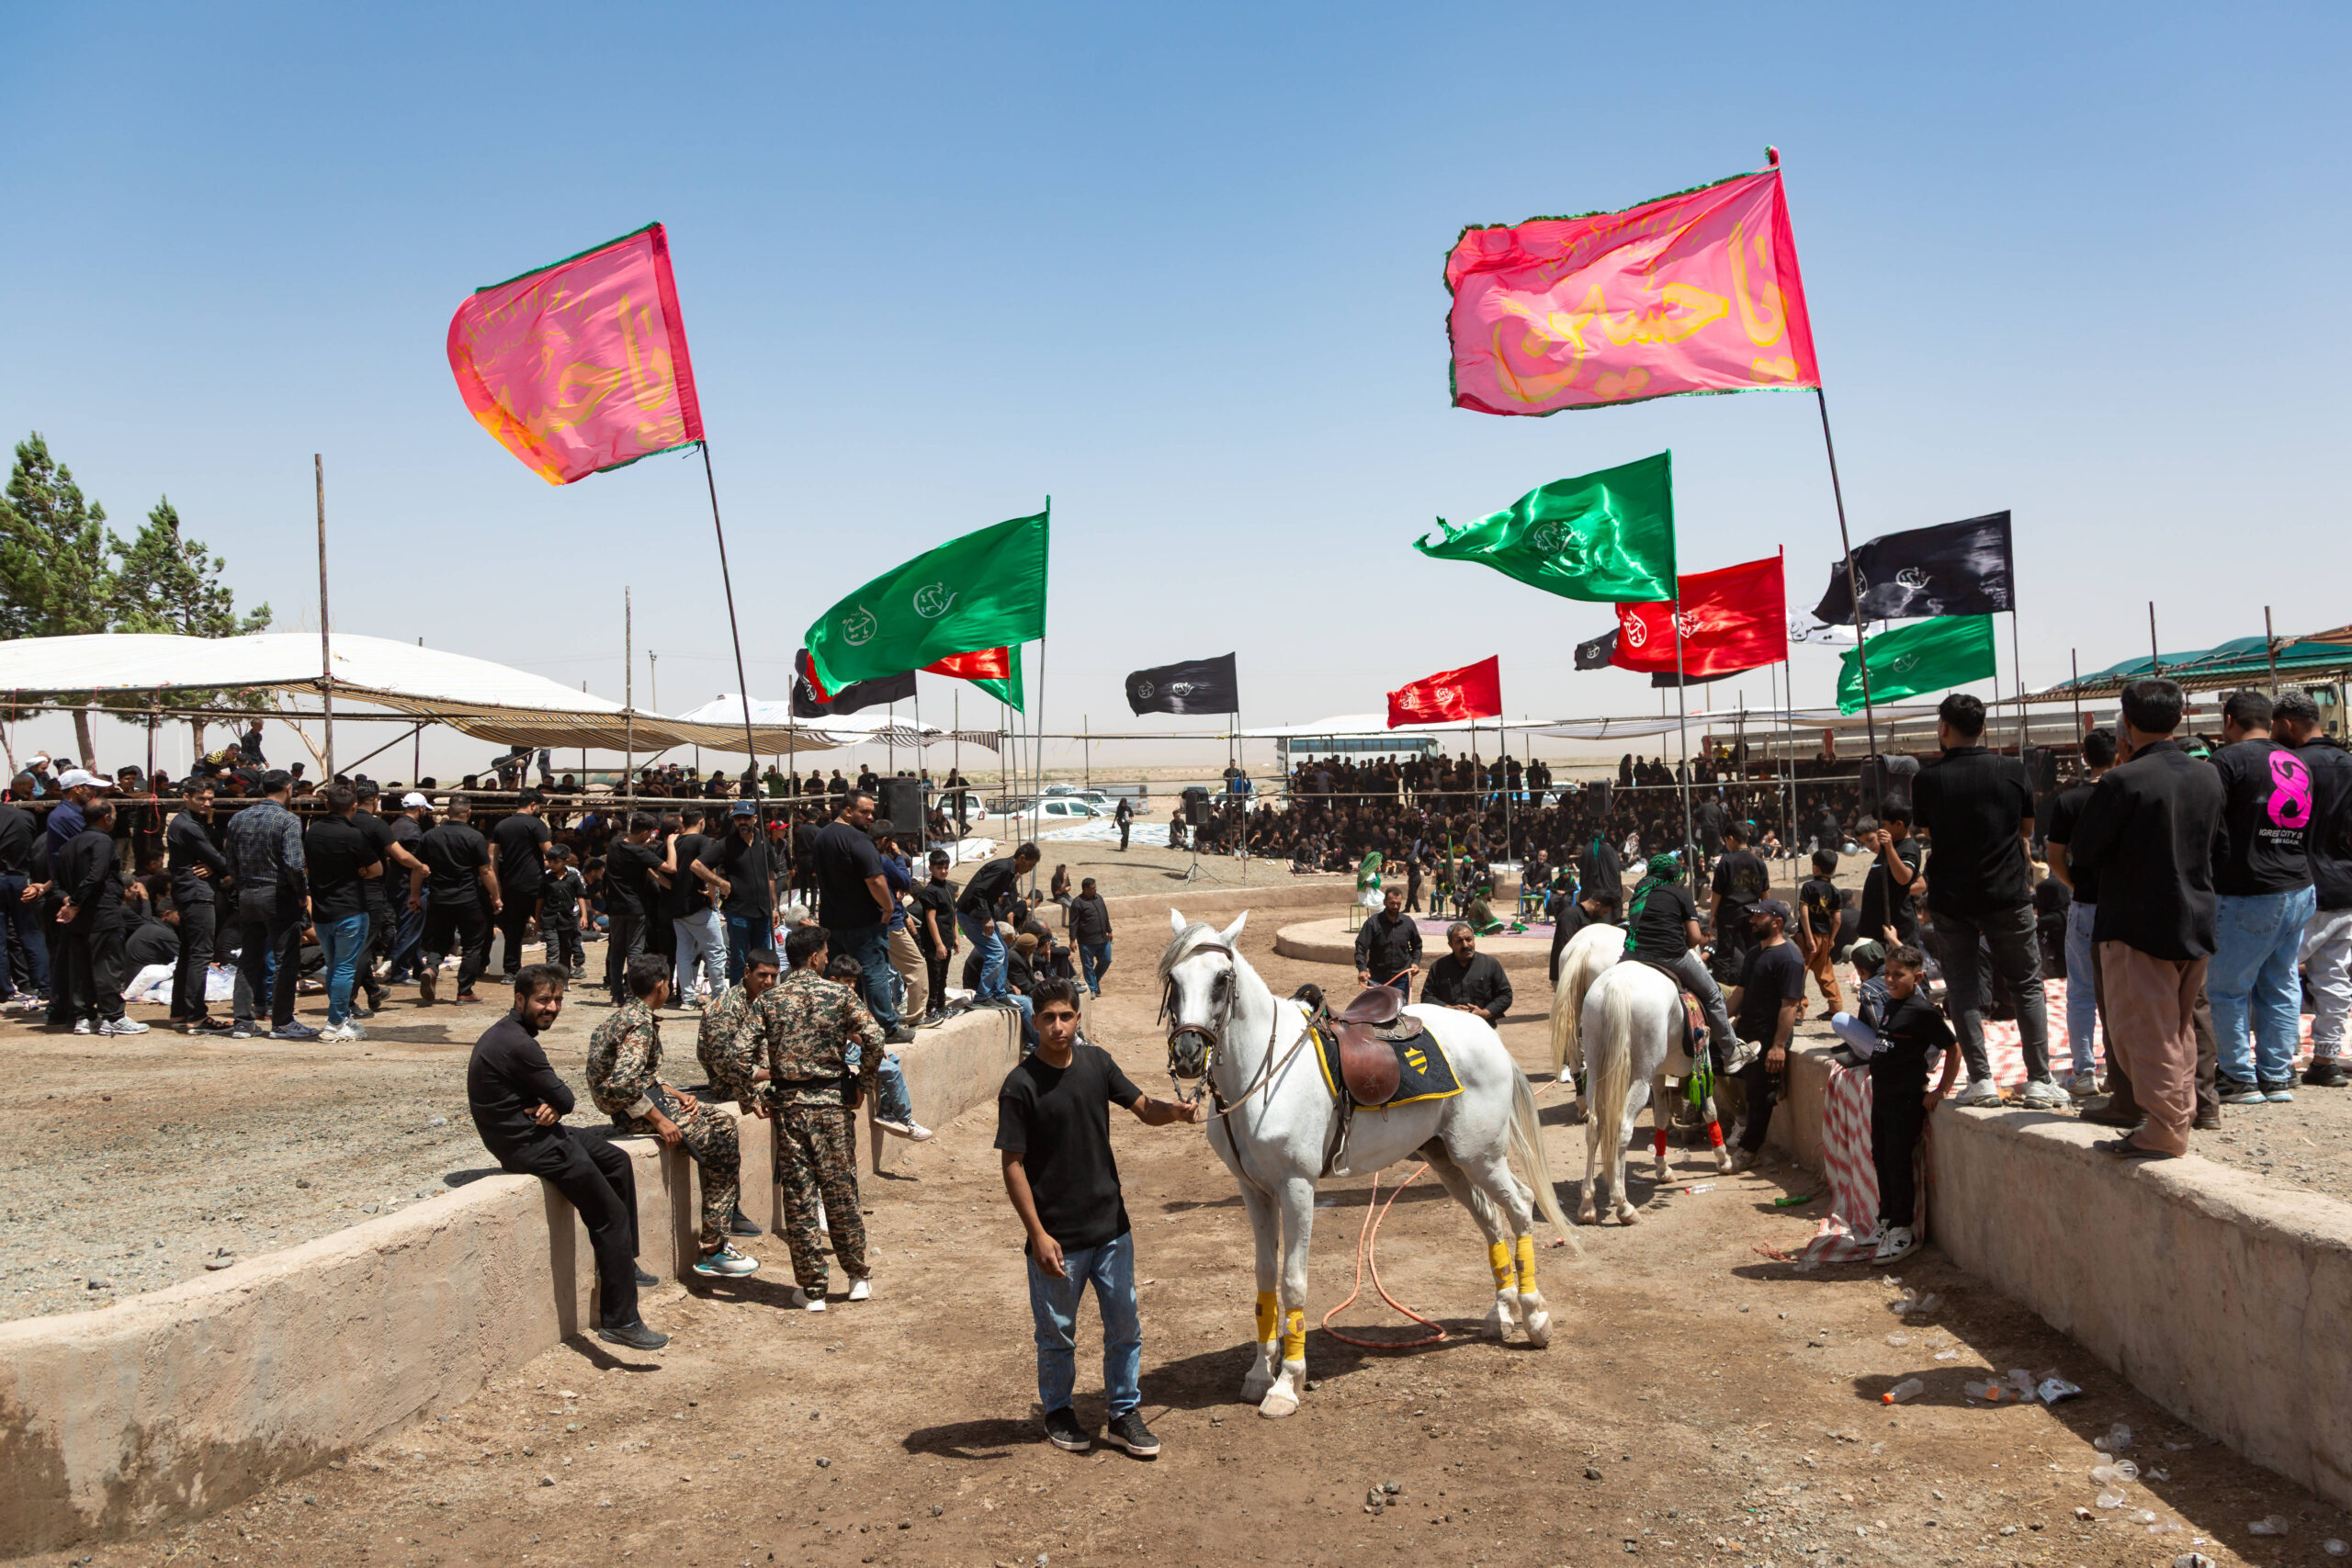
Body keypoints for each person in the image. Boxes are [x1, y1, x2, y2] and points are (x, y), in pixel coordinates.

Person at [995, 976, 1200, 1457]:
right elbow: (1012, 1164)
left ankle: (1123, 1413)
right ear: (1034, 1021)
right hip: (1058, 1240)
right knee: (1057, 1334)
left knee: (1125, 1328)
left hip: (1111, 1229)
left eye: (1066, 1016)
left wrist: (1174, 1112)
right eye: (1048, 1018)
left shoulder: (1096, 1063)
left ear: (1078, 1018)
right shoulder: (1020, 1085)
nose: (1058, 1026)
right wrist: (1038, 1235)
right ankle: (1059, 1411)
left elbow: (1143, 1107)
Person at [2065, 679, 2227, 1159]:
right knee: (2178, 1027)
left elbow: (2087, 850)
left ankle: (2165, 1129)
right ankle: (2178, 1115)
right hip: (2195, 916)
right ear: (2179, 719)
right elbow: (2220, 845)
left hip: (2137, 923)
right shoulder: (2208, 775)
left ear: (2127, 724)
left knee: (2144, 1030)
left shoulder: (2122, 780)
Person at [467, 964, 669, 1349]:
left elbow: (554, 1102)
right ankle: (620, 1319)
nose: (552, 1007)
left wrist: (550, 1105)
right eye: (544, 1000)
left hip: (539, 1132)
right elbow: (566, 1099)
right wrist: (553, 1103)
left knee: (616, 1161)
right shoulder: (519, 1044)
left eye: (558, 999)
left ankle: (623, 1262)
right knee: (608, 1216)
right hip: (529, 1146)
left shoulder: (511, 1034)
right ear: (519, 999)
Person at [1911, 694, 2061, 1109]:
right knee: (2027, 984)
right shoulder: (2011, 770)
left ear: (1943, 728)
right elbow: (2026, 828)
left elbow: (1926, 831)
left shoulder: (1926, 779)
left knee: (1960, 987)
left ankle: (1981, 1080)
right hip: (2007, 893)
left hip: (1952, 897)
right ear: (1983, 728)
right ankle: (2041, 1079)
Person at [586, 953, 759, 1279]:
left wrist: (677, 1095)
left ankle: (726, 1214)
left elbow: (640, 1076)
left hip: (645, 1100)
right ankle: (714, 1248)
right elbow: (623, 1084)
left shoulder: (627, 1015)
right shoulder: (639, 1025)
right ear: (662, 986)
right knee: (718, 1148)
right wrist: (659, 1120)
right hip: (632, 1111)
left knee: (724, 1121)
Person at [753, 926, 882, 1310]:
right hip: (832, 1107)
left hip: (790, 1110)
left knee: (800, 1197)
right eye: (824, 953)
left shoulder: (769, 999)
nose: (827, 958)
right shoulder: (841, 994)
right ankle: (857, 1277)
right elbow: (875, 1038)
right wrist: (864, 1083)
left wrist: (752, 1094)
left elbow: (739, 1051)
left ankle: (813, 1291)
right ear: (814, 957)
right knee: (841, 1191)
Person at [2206, 690, 2317, 1104]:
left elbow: (2209, 823)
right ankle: (2277, 1073)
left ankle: (2237, 1076)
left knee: (2227, 988)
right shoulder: (2298, 762)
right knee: (2281, 982)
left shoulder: (2227, 761)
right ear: (2270, 721)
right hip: (2298, 885)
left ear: (2229, 719)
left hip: (2248, 889)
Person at [1860, 944, 1960, 1261]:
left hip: (1905, 1098)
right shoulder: (1890, 1004)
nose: (1890, 980)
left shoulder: (1923, 1010)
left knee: (1898, 1161)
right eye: (1887, 973)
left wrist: (1941, 1089)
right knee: (1881, 1155)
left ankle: (1904, 1230)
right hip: (1883, 1096)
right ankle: (1887, 1220)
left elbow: (1953, 1048)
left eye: (1898, 975)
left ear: (1917, 977)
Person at [2275, 691, 2351, 1089]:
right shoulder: (2349, 765)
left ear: (2288, 723)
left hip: (2301, 884)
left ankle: (2282, 1060)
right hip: (2345, 885)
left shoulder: (2288, 766)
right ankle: (2326, 1059)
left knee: (2282, 972)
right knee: (2336, 976)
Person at [2043, 729, 2120, 1098]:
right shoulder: (2130, 793)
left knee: (2082, 992)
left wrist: (2074, 885)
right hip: (2126, 905)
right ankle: (2121, 1070)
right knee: (2122, 992)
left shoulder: (2069, 801)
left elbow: (2054, 858)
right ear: (2120, 754)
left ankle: (2084, 1071)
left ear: (2084, 759)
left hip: (2086, 903)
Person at [810, 790, 915, 1044]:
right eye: (864, 812)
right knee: (874, 972)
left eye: (871, 812)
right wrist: (889, 908)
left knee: (835, 975)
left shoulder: (821, 836)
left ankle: (835, 1025)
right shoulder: (857, 839)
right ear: (848, 811)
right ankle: (887, 1027)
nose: (870, 817)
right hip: (864, 922)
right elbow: (876, 879)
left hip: (832, 920)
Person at [1619, 851, 1744, 1062]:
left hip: (1633, 952)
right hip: (1670, 955)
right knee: (1713, 995)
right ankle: (1731, 1052)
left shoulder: (1640, 890)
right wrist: (1679, 948)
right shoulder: (1681, 895)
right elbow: (1695, 937)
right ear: (1674, 877)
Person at [224, 769, 313, 1041]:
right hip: (278, 895)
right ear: (288, 788)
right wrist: (301, 893)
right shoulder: (288, 820)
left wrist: (242, 887)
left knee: (248, 959)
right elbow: (295, 864)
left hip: (248, 894)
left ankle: (242, 1022)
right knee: (286, 959)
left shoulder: (238, 818)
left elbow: (230, 861)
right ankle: (282, 1021)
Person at [1724, 900, 1804, 1170]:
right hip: (1745, 1033)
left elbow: (1790, 1005)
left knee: (1761, 1096)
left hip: (1769, 1038)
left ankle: (1750, 1150)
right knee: (1711, 1067)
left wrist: (1778, 1046)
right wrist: (1719, 1023)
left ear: (1777, 923)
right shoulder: (1754, 953)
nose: (1752, 921)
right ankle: (1743, 1120)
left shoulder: (1790, 958)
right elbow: (1739, 993)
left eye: (1759, 917)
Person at [821, 953, 932, 1141]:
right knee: (892, 1071)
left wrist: (875, 1048)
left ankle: (886, 1112)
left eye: (854, 981)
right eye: (847, 981)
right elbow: (850, 1033)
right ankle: (906, 1120)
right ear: (833, 980)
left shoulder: (845, 998)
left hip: (852, 1047)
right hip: (842, 1052)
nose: (851, 985)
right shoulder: (830, 1000)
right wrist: (871, 1047)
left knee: (894, 1059)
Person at [56, 799, 142, 1034]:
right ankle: (113, 1017)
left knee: (81, 968)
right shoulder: (102, 841)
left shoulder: (69, 845)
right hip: (101, 912)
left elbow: (57, 882)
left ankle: (84, 1017)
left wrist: (69, 902)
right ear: (106, 817)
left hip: (78, 917)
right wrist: (74, 904)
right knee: (107, 965)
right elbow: (96, 875)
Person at [303, 783, 382, 1042]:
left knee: (334, 966)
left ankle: (340, 1017)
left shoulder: (313, 832)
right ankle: (335, 1022)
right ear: (354, 807)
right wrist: (360, 872)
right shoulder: (354, 835)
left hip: (323, 910)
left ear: (327, 805)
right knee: (345, 968)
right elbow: (377, 870)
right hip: (350, 909)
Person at [413, 795, 500, 1006]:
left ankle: (431, 968)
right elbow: (486, 870)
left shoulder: (430, 836)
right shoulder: (475, 837)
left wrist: (414, 896)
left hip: (439, 898)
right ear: (469, 813)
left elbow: (418, 869)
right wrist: (496, 897)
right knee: (472, 945)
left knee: (439, 940)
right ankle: (464, 991)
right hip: (469, 899)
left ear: (447, 812)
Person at [164, 779, 226, 1032]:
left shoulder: (191, 822)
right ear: (187, 796)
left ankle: (180, 1011)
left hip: (190, 891)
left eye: (210, 799)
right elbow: (217, 857)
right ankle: (196, 1015)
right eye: (201, 798)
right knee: (200, 954)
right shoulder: (187, 825)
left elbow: (210, 853)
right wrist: (220, 866)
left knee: (190, 954)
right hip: (197, 893)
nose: (207, 803)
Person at [958, 841, 1041, 1021]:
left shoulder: (1008, 871)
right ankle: (982, 996)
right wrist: (987, 917)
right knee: (995, 953)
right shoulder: (1003, 869)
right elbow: (979, 892)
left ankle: (999, 993)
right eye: (1031, 865)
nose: (1030, 869)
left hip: (979, 914)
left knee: (1003, 949)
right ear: (1022, 858)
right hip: (970, 914)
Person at [703, 802, 776, 986]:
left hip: (762, 912)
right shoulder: (726, 844)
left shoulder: (763, 841)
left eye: (746, 817)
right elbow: (697, 865)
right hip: (739, 912)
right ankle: (738, 999)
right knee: (739, 959)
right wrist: (719, 883)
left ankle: (761, 996)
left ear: (755, 818)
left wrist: (773, 906)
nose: (742, 821)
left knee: (763, 959)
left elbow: (770, 876)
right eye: (737, 818)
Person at [661, 805, 727, 1007]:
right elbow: (708, 864)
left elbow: (658, 872)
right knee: (716, 951)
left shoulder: (671, 843)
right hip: (698, 905)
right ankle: (718, 996)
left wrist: (674, 889)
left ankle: (687, 998)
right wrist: (714, 891)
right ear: (701, 821)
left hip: (677, 907)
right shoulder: (702, 841)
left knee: (684, 953)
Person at [602, 812, 667, 1006]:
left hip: (615, 907)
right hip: (635, 907)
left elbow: (628, 845)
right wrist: (670, 844)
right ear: (646, 832)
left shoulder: (615, 843)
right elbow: (670, 868)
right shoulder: (640, 852)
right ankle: (633, 994)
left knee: (616, 951)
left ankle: (616, 995)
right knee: (635, 952)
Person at [489, 789, 553, 984]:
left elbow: (491, 859)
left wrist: (496, 885)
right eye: (540, 807)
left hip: (511, 885)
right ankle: (554, 968)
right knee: (549, 926)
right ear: (533, 804)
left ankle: (511, 971)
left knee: (514, 930)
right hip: (536, 885)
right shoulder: (537, 825)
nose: (540, 810)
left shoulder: (501, 826)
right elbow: (549, 852)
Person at [1707, 821, 1770, 984]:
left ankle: (1722, 988)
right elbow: (1765, 892)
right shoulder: (1759, 862)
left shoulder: (1726, 862)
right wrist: (1766, 914)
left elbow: (1717, 893)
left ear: (1731, 839)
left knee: (1724, 953)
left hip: (1729, 913)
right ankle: (1756, 982)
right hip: (1753, 912)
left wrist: (1713, 915)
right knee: (1753, 949)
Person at [1856, 809, 1923, 951]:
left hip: (1897, 929)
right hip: (1877, 931)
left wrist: (1895, 891)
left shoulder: (1900, 852)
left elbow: (1921, 885)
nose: (1869, 846)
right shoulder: (1881, 856)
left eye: (1870, 839)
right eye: (1864, 843)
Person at [1421, 922, 1513, 1024]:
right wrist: (1449, 1009)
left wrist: (1486, 1013)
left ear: (1474, 939)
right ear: (1450, 945)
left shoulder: (1490, 964)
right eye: (1459, 941)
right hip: (1448, 1027)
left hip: (1484, 1027)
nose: (1465, 945)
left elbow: (1506, 995)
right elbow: (1427, 997)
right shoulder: (1438, 967)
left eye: (1469, 939)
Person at [1796, 849, 1845, 1020]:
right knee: (1826, 972)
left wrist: (1809, 938)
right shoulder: (1835, 891)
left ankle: (1799, 1011)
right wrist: (1832, 939)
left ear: (1815, 868)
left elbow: (1803, 913)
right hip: (1825, 937)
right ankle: (1835, 1007)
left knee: (1800, 972)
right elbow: (1837, 920)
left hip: (1807, 937)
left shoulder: (1808, 887)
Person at [1352, 885, 1422, 1000]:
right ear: (1385, 902)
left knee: (1400, 1014)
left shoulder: (1408, 922)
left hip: (1401, 979)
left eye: (1398, 904)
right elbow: (1361, 947)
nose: (1395, 906)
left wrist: (1415, 962)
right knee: (1376, 1014)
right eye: (1392, 903)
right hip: (1377, 979)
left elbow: (1417, 946)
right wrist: (1362, 968)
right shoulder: (1373, 923)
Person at [913, 850, 958, 1023]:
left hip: (947, 939)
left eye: (946, 867)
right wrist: (939, 944)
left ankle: (941, 1005)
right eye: (940, 868)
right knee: (935, 975)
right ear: (931, 868)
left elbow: (952, 914)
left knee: (944, 975)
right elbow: (931, 919)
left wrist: (956, 938)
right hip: (935, 941)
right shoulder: (930, 891)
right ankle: (931, 1008)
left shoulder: (948, 887)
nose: (944, 871)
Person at [1547, 885, 1616, 985]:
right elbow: (1564, 946)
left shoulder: (1592, 917)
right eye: (1604, 912)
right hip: (1565, 976)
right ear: (1597, 905)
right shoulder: (1570, 916)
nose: (1603, 915)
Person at [1069, 876, 1114, 997]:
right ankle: (1093, 989)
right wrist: (1072, 940)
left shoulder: (1099, 898)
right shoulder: (1078, 902)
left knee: (1107, 959)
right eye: (1093, 888)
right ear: (1086, 889)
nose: (1095, 890)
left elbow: (1105, 915)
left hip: (1102, 939)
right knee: (1088, 966)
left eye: (1095, 887)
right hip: (1086, 941)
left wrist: (1109, 930)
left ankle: (1095, 980)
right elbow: (1073, 923)